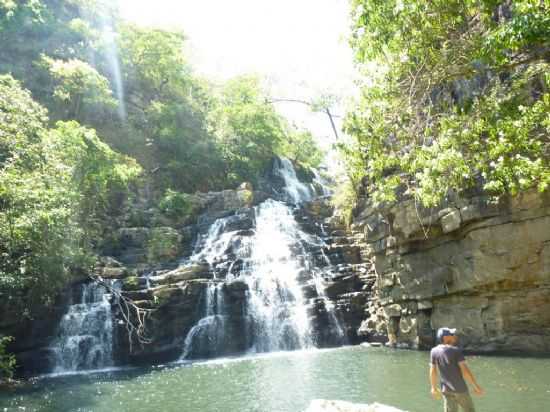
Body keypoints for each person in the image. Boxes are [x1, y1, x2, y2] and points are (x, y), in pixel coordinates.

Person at [429, 327, 484, 412]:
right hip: (460, 389)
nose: (454, 336)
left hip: (446, 390)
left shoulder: (434, 351)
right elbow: (465, 371)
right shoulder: (455, 351)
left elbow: (433, 371)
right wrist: (475, 386)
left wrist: (433, 388)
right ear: (445, 338)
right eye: (451, 335)